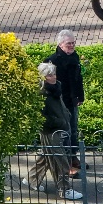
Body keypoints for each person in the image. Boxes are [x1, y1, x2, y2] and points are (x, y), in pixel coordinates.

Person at [28, 63, 83, 200]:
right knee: (60, 160)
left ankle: (32, 179)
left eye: (54, 74)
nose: (54, 77)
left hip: (61, 127)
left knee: (46, 157)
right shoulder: (41, 93)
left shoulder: (56, 87)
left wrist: (66, 118)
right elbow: (41, 116)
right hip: (51, 130)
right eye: (50, 75)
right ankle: (64, 189)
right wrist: (59, 122)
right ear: (43, 77)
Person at [45, 29, 85, 175]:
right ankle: (66, 163)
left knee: (73, 130)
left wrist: (80, 97)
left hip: (72, 101)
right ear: (61, 44)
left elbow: (77, 79)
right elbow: (48, 86)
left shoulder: (74, 58)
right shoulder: (51, 61)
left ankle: (73, 157)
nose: (72, 46)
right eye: (69, 44)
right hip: (59, 103)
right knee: (64, 133)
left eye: (73, 43)